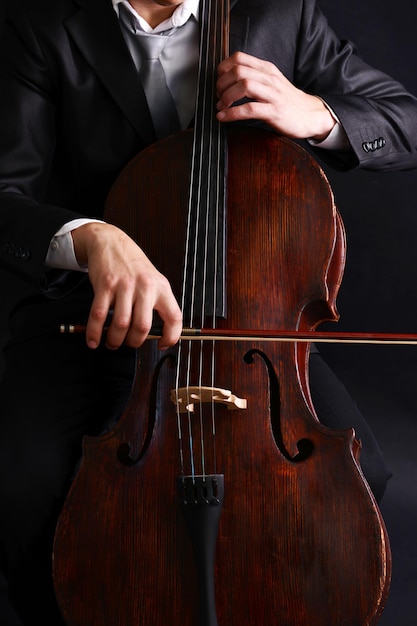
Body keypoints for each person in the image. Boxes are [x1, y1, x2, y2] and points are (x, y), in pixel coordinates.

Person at [1, 0, 416, 624]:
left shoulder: (282, 15)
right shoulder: (40, 23)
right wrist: (89, 236)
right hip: (93, 323)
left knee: (360, 479)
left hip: (248, 333)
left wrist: (319, 114)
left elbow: (406, 122)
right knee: (25, 484)